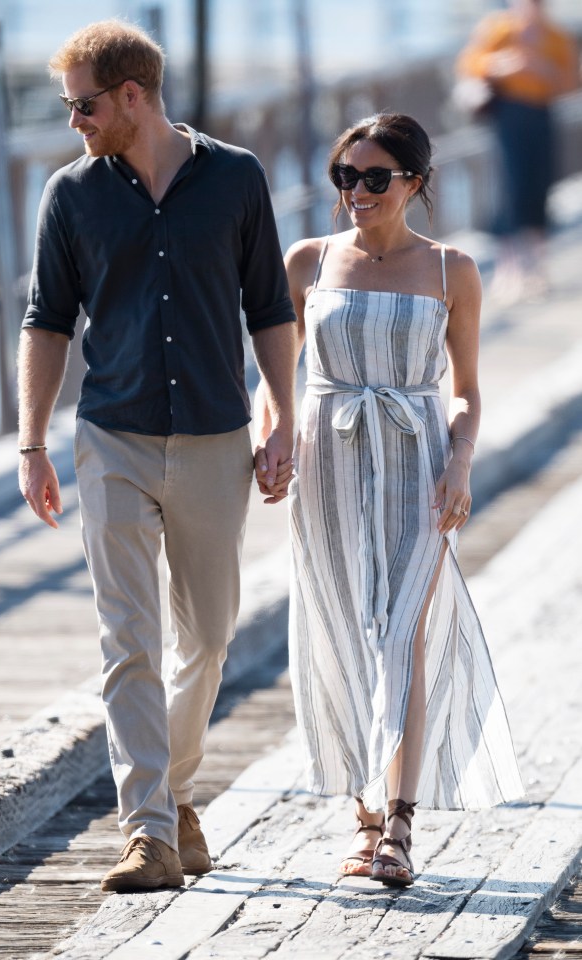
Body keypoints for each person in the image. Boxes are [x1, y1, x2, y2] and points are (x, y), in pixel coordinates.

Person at [17, 19, 296, 894]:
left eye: (85, 106)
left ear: (132, 95)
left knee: (207, 640)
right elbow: (46, 322)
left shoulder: (237, 179)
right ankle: (145, 831)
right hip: (112, 436)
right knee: (127, 640)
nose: (75, 123)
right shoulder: (71, 195)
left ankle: (174, 797)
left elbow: (269, 308)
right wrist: (32, 442)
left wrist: (283, 415)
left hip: (217, 437)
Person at [255, 113, 524, 887]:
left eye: (376, 178)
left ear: (413, 181)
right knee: (342, 633)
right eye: (346, 176)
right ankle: (363, 817)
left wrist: (461, 461)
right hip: (327, 464)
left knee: (404, 631)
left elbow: (467, 392)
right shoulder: (305, 262)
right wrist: (270, 441)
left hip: (417, 459)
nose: (358, 192)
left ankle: (399, 824)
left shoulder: (451, 271)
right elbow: (276, 380)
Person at [456, 0, 578, 303]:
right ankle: (509, 269)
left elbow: (571, 80)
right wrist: (504, 65)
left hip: (540, 113)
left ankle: (536, 266)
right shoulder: (498, 29)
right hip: (507, 115)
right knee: (509, 187)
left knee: (539, 185)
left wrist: (543, 71)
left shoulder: (555, 36)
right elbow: (471, 65)